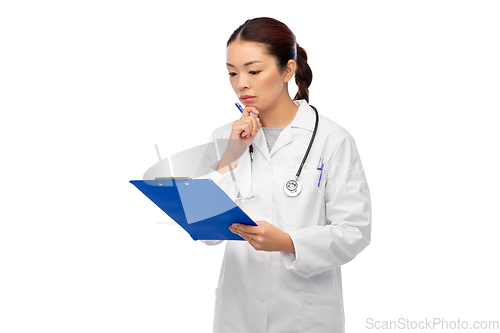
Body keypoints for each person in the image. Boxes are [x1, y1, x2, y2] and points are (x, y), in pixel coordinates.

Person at [199, 17, 371, 333]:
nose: (241, 84)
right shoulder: (225, 137)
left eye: (253, 71)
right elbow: (207, 232)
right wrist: (231, 156)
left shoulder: (332, 138)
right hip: (239, 313)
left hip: (305, 315)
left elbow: (355, 231)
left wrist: (289, 242)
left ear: (287, 71)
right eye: (232, 73)